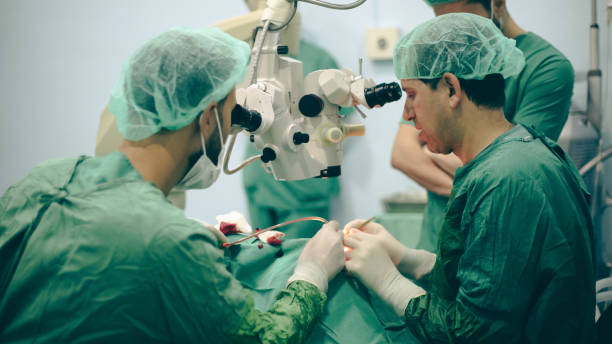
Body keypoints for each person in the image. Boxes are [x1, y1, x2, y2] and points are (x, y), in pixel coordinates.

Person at [0, 28, 345, 343]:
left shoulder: (45, 178)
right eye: (231, 116)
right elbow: (261, 340)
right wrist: (312, 273)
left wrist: (179, 237)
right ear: (208, 118)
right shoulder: (169, 241)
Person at [344, 13, 595, 343]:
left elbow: (473, 334)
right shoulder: (522, 152)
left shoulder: (504, 181)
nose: (406, 114)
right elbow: (495, 283)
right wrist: (409, 259)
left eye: (412, 94)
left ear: (451, 88)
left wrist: (390, 282)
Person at [391, 0, 575, 252]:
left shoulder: (545, 67)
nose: (451, 39)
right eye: (443, 25)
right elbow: (403, 155)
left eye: (462, 24)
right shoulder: (437, 59)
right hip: (438, 239)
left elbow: (510, 169)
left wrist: (483, 199)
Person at [242, 0, 352, 239]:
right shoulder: (247, 60)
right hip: (259, 181)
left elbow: (334, 122)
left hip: (303, 187)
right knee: (260, 259)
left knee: (302, 264)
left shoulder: (318, 61)